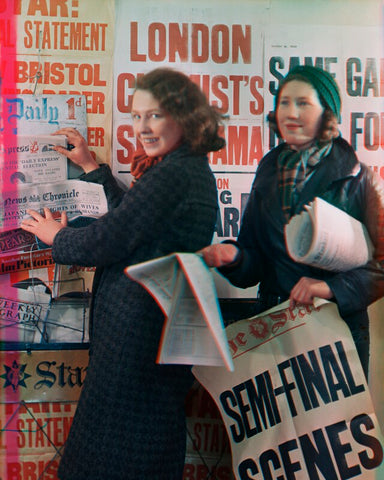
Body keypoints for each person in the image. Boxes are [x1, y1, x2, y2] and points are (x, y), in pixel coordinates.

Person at [21, 67, 226, 480]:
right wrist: (92, 167)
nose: (143, 127)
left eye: (155, 115)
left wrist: (55, 237)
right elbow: (133, 222)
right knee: (134, 448)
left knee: (110, 459)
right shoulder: (187, 169)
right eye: (136, 116)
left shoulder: (173, 174)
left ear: (184, 116)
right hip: (152, 335)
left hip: (138, 341)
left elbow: (110, 240)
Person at [201, 65, 384, 379]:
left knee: (332, 428)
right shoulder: (270, 169)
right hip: (278, 328)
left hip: (336, 332)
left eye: (303, 103)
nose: (290, 112)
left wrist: (328, 287)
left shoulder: (357, 177)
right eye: (284, 103)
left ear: (328, 114)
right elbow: (254, 260)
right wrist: (235, 258)